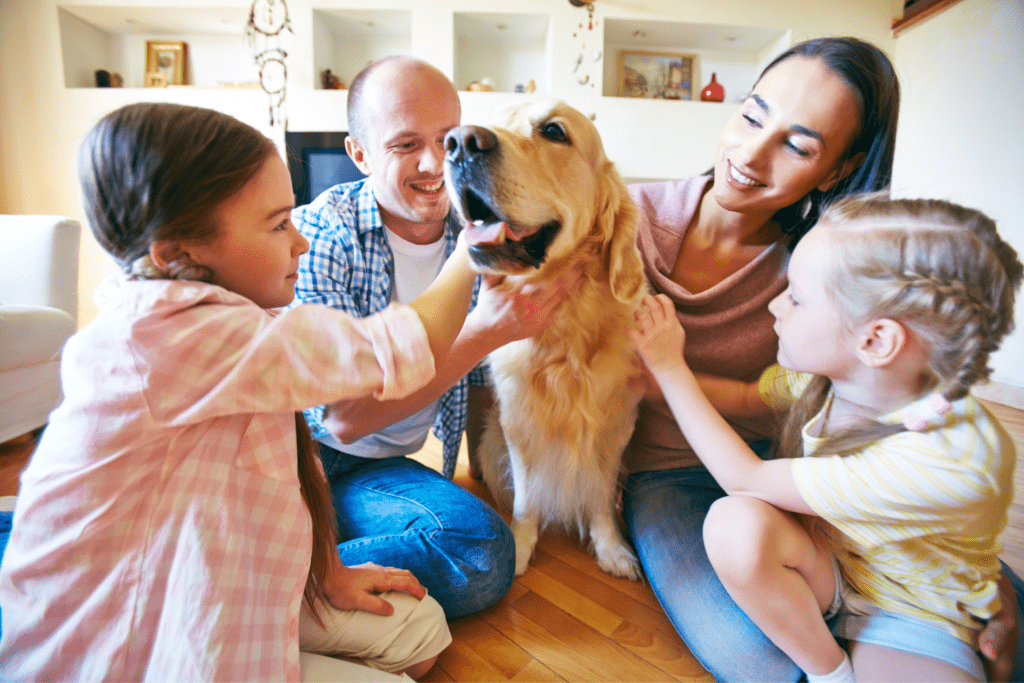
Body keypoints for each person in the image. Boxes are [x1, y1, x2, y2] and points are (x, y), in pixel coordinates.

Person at [0, 101, 483, 681]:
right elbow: (394, 349)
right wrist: (475, 247)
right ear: (178, 254)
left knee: (422, 630)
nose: (299, 243)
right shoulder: (165, 336)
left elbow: (293, 470)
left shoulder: (231, 329)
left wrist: (327, 571)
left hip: (228, 565)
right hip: (133, 639)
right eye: (279, 224)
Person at [620, 36, 1024, 681]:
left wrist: (984, 590)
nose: (751, 156)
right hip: (675, 477)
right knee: (766, 663)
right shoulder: (622, 220)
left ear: (836, 170)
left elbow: (888, 429)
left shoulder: (827, 271)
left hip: (807, 478)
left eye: (798, 145)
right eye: (752, 116)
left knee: (990, 625)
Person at [291, 56, 572, 620]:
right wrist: (483, 332)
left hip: (380, 468)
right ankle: (286, 574)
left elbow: (498, 377)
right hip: (305, 465)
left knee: (481, 552)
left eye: (447, 141)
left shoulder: (478, 225)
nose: (432, 164)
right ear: (360, 154)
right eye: (403, 145)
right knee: (475, 555)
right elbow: (342, 419)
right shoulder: (320, 234)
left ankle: (303, 572)